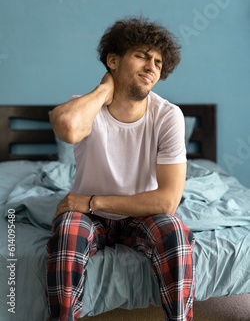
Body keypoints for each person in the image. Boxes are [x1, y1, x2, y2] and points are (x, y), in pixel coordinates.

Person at [46, 16, 195, 321]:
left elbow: (167, 201)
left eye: (157, 61)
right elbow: (67, 126)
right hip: (88, 217)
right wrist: (104, 89)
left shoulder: (168, 116)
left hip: (137, 212)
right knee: (68, 233)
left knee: (175, 232)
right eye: (141, 55)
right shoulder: (86, 107)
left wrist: (92, 201)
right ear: (113, 60)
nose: (152, 66)